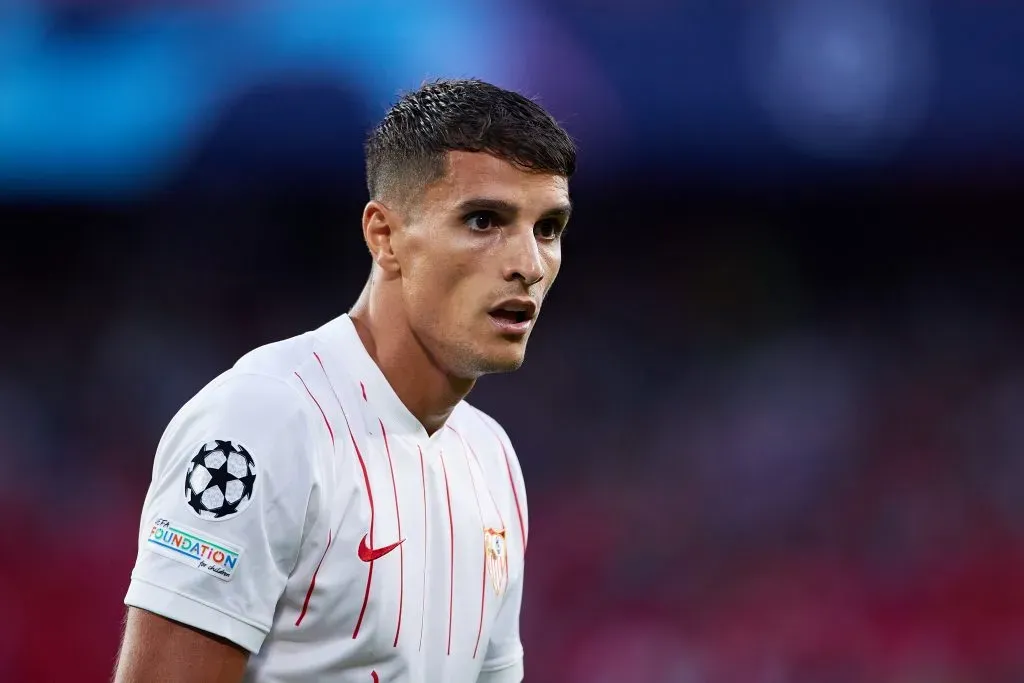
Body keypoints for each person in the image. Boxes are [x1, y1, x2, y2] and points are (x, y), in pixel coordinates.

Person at [112, 78, 576, 683]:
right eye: (484, 220)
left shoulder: (491, 458)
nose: (529, 265)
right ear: (385, 236)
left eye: (548, 228)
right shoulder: (266, 421)